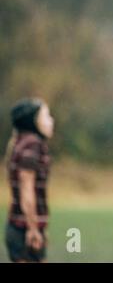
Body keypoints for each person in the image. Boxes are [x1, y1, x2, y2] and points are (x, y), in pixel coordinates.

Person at [4, 98, 54, 262]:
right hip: (24, 230)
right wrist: (33, 229)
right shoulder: (32, 144)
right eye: (46, 116)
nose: (51, 120)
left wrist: (38, 226)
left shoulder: (21, 141)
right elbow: (27, 191)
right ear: (34, 121)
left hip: (19, 227)